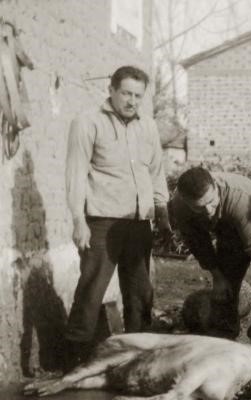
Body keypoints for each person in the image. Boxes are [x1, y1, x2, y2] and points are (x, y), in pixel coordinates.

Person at [64, 65, 171, 371]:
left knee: (139, 293)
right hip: (100, 221)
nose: (132, 101)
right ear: (111, 90)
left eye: (138, 95)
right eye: (126, 93)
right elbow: (75, 174)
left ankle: (135, 359)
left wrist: (161, 211)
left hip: (139, 223)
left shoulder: (148, 126)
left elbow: (156, 172)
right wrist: (78, 220)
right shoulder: (87, 122)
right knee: (91, 290)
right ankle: (76, 362)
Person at [168, 167, 251, 353]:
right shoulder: (179, 205)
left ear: (216, 187)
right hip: (228, 233)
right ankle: (224, 346)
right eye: (199, 207)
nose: (207, 210)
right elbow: (198, 243)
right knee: (224, 292)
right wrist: (217, 275)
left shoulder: (239, 198)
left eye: (211, 202)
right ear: (186, 200)